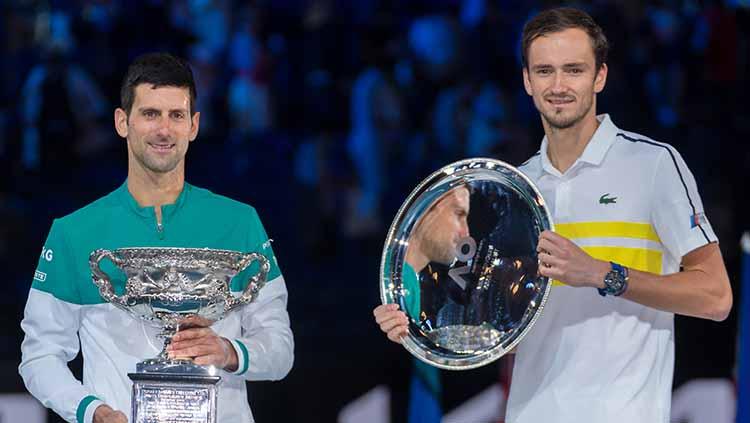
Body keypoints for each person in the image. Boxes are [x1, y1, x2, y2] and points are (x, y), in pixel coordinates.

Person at [374, 7, 732, 422]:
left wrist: (602, 274)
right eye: (544, 71)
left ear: (600, 76)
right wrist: (413, 323)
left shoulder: (652, 164)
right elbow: (489, 323)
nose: (559, 85)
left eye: (574, 70)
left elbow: (716, 297)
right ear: (527, 80)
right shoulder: (514, 189)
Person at [19, 53, 294, 423]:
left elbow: (280, 351)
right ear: (122, 122)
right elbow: (40, 356)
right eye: (150, 114)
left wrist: (229, 351)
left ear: (194, 125)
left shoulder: (240, 222)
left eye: (176, 115)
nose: (164, 130)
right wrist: (91, 411)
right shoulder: (74, 232)